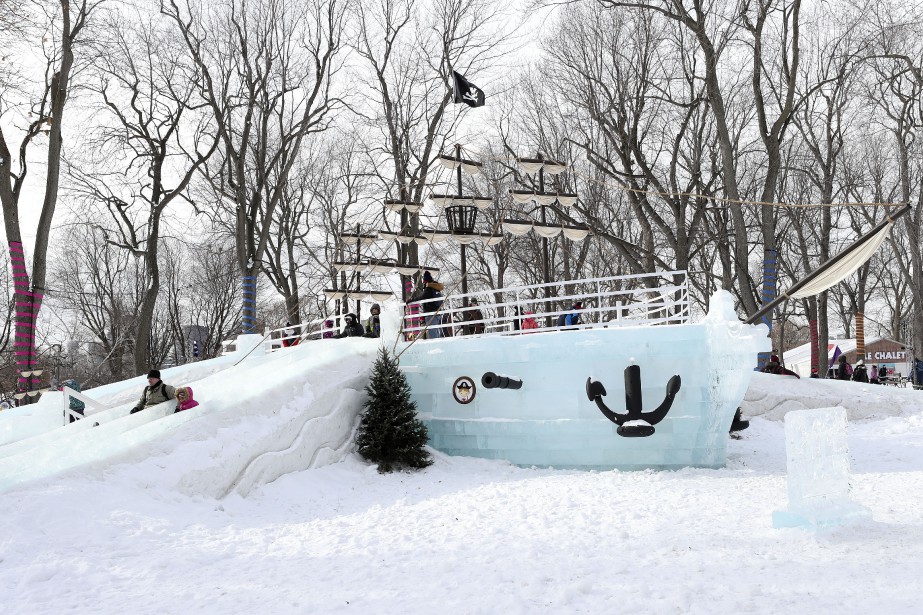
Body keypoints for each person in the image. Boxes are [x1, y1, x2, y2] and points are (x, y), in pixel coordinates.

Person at [411, 271, 445, 339]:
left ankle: (436, 347)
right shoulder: (436, 288)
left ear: (425, 281)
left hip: (430, 314)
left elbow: (423, 297)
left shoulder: (429, 288)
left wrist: (412, 300)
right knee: (436, 332)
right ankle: (439, 345)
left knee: (433, 333)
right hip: (437, 313)